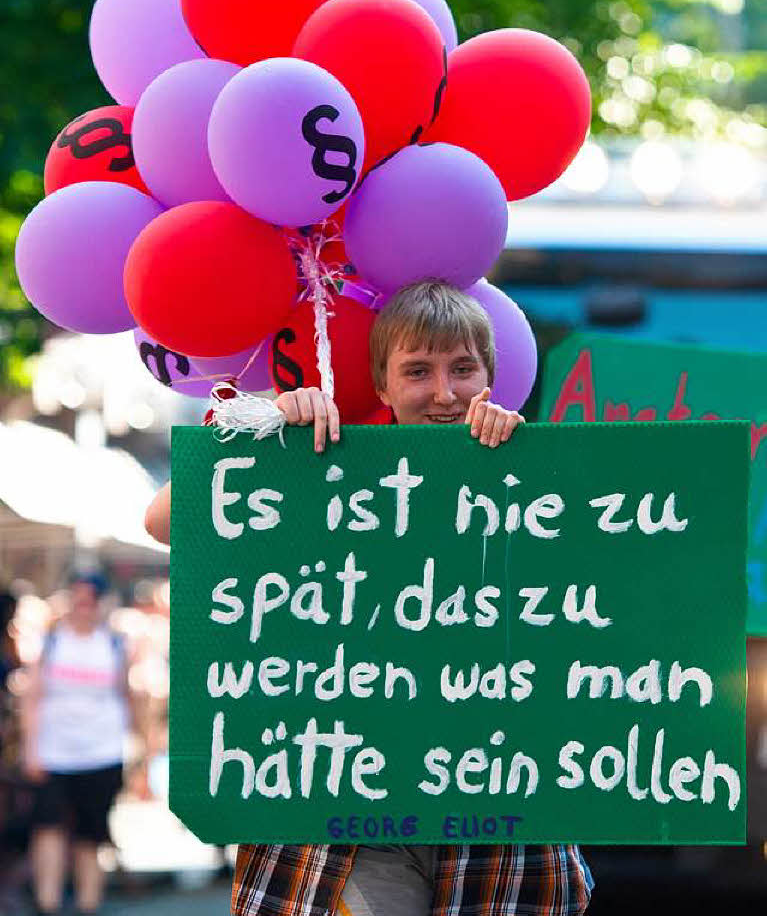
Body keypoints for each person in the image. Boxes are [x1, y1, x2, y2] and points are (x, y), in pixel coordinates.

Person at [145, 280, 593, 915]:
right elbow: (165, 521)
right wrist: (272, 426)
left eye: (462, 369)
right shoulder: (330, 471)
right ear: (382, 387)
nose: (444, 391)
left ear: (489, 377)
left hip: (497, 813)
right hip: (348, 812)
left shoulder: (535, 483)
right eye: (419, 371)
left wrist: (528, 471)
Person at [20, 573, 134, 916]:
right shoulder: (52, 642)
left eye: (89, 601)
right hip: (55, 750)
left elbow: (127, 696)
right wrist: (31, 748)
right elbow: (33, 697)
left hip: (101, 751)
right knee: (48, 828)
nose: (82, 608)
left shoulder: (113, 644)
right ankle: (48, 904)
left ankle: (88, 904)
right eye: (77, 600)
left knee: (91, 834)